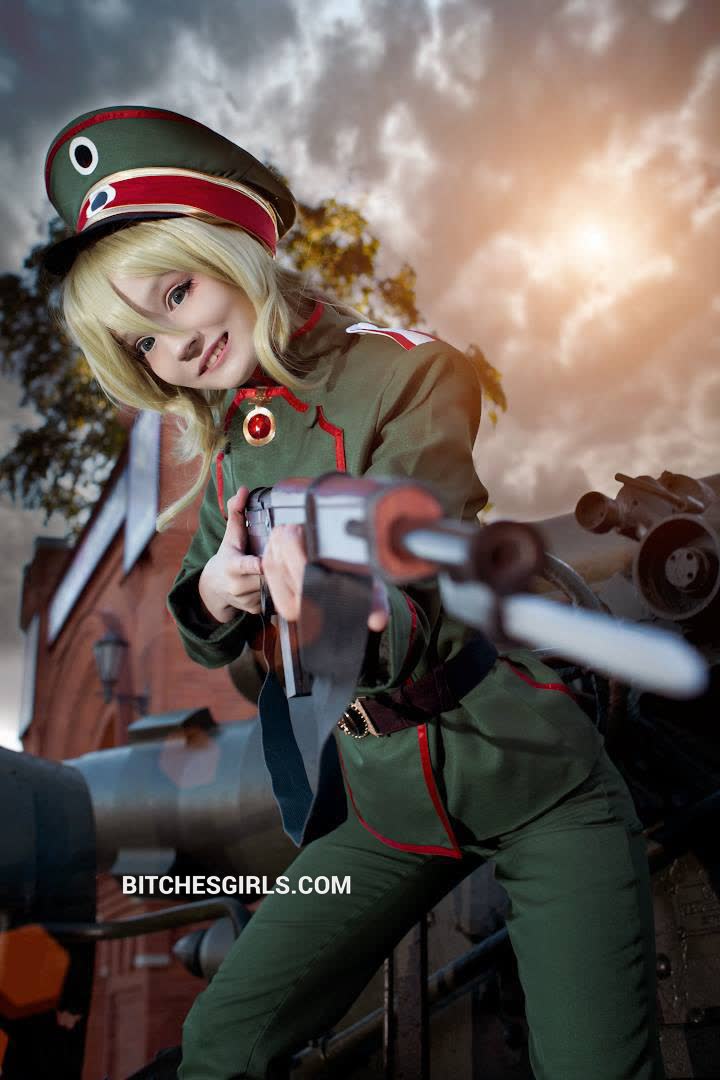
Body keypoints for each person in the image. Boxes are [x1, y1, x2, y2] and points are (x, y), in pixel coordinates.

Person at [43, 105, 666, 1080]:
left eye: (178, 292)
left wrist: (354, 609)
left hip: (530, 777)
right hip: (385, 811)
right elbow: (202, 629)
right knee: (220, 1042)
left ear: (232, 243)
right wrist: (219, 590)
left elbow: (426, 554)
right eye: (144, 342)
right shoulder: (231, 452)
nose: (177, 345)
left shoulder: (407, 372)